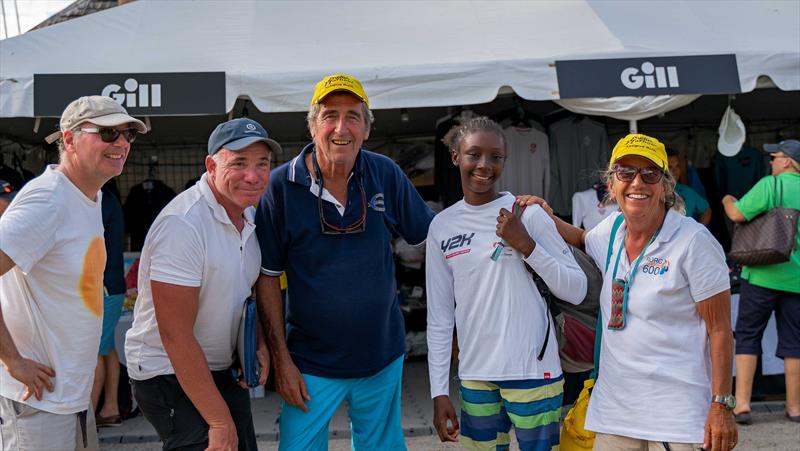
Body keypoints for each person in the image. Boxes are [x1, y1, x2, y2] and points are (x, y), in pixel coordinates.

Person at [521, 134, 738, 451]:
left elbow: (720, 329)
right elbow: (582, 239)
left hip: (675, 414)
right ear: (612, 184)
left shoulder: (694, 241)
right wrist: (543, 214)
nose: (638, 182)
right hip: (615, 411)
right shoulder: (611, 230)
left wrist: (721, 405)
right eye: (626, 172)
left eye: (650, 174)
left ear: (665, 185)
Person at [254, 74, 434, 450]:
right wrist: (281, 360)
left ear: (366, 129)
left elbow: (435, 238)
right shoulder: (280, 187)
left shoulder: (384, 172)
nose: (341, 128)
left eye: (353, 116)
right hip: (309, 364)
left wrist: (495, 210)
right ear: (312, 125)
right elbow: (267, 278)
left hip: (381, 357)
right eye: (329, 115)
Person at [425, 117, 587, 450]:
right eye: (474, 154)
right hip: (476, 376)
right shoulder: (442, 226)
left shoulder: (528, 215)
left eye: (495, 157)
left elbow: (576, 288)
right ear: (456, 156)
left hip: (533, 374)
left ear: (504, 160)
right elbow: (440, 317)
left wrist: (528, 246)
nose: (484, 165)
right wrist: (439, 391)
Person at [0, 95, 146, 450]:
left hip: (70, 399)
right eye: (109, 133)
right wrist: (12, 360)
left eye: (128, 134)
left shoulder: (88, 195)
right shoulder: (48, 200)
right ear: (68, 139)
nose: (122, 143)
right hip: (39, 402)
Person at [124, 118, 275, 451]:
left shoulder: (247, 216)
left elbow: (243, 290)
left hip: (219, 366)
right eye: (239, 163)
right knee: (219, 442)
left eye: (262, 164)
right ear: (211, 165)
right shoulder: (183, 225)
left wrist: (259, 344)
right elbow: (175, 335)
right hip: (166, 370)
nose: (253, 175)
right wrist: (219, 421)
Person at [722, 139, 800, 425]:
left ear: (788, 161)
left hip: (763, 274)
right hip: (797, 280)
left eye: (775, 157)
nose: (771, 162)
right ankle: (794, 408)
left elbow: (736, 214)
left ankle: (742, 405)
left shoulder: (771, 185)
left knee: (748, 335)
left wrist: (727, 199)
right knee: (795, 343)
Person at [91, 183, 126, 427]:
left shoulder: (100, 201)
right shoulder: (109, 200)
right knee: (106, 347)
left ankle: (85, 419)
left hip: (102, 286)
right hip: (111, 285)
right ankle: (110, 407)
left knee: (94, 351)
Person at [668, 149, 711, 225]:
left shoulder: (687, 191)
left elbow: (706, 210)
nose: (675, 170)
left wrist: (699, 229)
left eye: (677, 166)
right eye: (670, 167)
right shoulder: (654, 192)